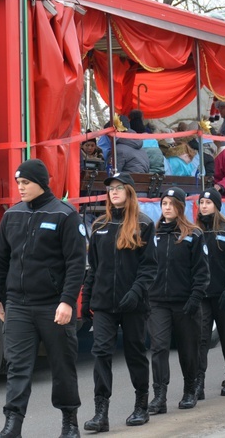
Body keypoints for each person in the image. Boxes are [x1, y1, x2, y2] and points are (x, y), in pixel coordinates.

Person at [0, 159, 85, 438]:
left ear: (41, 183)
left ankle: (69, 423)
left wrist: (67, 301)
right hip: (18, 306)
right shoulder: (12, 216)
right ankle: (13, 425)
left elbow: (76, 263)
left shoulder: (65, 215)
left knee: (62, 367)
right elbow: (0, 260)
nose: (20, 188)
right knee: (17, 368)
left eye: (25, 183)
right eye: (18, 183)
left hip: (53, 306)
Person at [82, 172, 157, 432]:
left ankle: (141, 405)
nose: (114, 192)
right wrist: (87, 299)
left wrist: (135, 293)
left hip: (133, 304)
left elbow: (149, 268)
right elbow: (93, 267)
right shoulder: (99, 226)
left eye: (119, 188)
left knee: (135, 352)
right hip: (104, 304)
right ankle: (100, 413)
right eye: (111, 189)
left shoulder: (144, 224)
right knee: (101, 353)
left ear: (129, 192)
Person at [148, 187, 209, 414]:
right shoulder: (152, 234)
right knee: (159, 348)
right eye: (164, 204)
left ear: (181, 207)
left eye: (172, 204)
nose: (167, 208)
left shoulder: (193, 234)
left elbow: (202, 272)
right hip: (157, 303)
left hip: (185, 303)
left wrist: (195, 299)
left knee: (188, 349)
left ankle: (190, 390)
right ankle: (159, 396)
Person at [195, 189, 225, 398]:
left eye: (208, 202)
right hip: (203, 297)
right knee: (200, 340)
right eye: (202, 202)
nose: (204, 206)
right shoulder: (194, 231)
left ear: (216, 205)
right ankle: (198, 383)